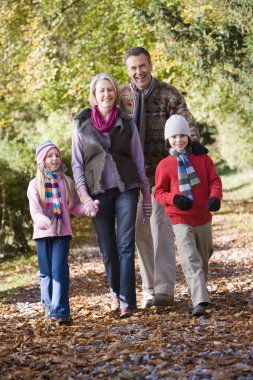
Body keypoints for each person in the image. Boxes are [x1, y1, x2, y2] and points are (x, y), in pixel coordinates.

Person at [120, 46, 206, 308]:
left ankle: (164, 289)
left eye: (142, 66)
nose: (139, 72)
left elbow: (186, 122)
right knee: (140, 232)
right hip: (132, 175)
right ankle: (148, 288)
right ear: (128, 70)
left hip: (163, 174)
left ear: (151, 65)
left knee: (160, 227)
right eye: (133, 68)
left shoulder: (168, 94)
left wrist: (193, 144)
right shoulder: (122, 96)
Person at [72, 72, 151, 318]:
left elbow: (139, 161)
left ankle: (128, 302)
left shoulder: (127, 122)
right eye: (101, 91)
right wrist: (84, 197)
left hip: (126, 188)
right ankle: (115, 295)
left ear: (115, 93)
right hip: (97, 194)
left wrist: (146, 197)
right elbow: (77, 164)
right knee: (108, 248)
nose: (106, 94)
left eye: (110, 90)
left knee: (125, 245)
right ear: (94, 96)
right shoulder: (82, 125)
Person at [154, 115, 222, 316]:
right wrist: (174, 199)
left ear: (189, 136)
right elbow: (159, 192)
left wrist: (215, 197)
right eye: (174, 137)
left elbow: (214, 181)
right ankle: (199, 301)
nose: (179, 140)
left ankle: (200, 290)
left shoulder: (202, 159)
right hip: (180, 218)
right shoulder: (164, 165)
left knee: (204, 254)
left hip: (202, 216)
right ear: (168, 140)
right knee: (189, 258)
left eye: (182, 135)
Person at [27, 140, 87, 325]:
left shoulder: (67, 183)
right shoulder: (35, 184)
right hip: (43, 234)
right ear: (41, 161)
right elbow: (35, 209)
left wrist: (88, 209)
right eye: (49, 156)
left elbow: (74, 206)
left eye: (57, 155)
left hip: (62, 233)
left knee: (58, 270)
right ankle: (48, 305)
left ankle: (61, 311)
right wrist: (39, 219)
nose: (54, 159)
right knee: (46, 272)